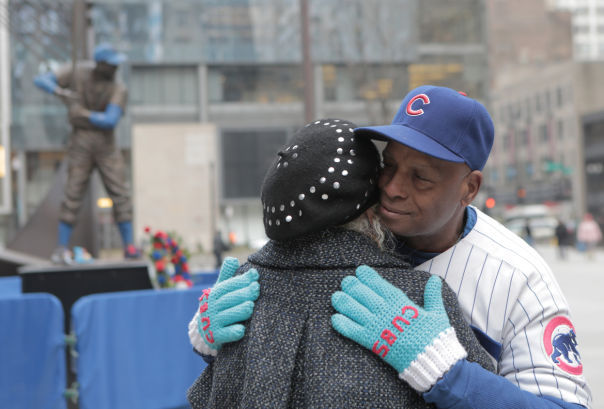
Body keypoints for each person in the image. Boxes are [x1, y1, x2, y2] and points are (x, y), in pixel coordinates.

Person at [191, 86, 592, 408]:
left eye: (421, 178)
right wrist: (213, 339)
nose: (393, 189)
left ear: (469, 188)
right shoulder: (347, 230)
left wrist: (451, 375)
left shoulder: (518, 276)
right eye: (390, 165)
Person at [187, 119, 494, 408]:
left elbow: (204, 397)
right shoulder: (418, 297)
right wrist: (448, 371)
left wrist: (207, 347)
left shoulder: (238, 294)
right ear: (372, 209)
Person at [33, 43, 140, 263]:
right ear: (100, 64)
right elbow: (41, 80)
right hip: (80, 142)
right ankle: (61, 248)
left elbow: (110, 120)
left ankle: (129, 247)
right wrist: (60, 91)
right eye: (111, 65)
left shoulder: (118, 88)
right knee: (72, 194)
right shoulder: (78, 71)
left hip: (106, 145)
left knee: (120, 194)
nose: (115, 69)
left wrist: (80, 113)